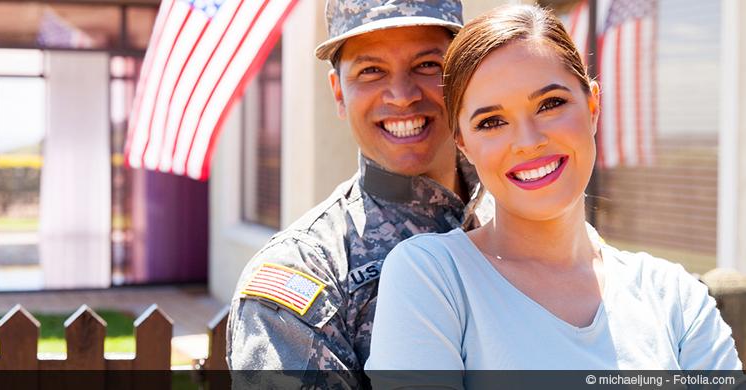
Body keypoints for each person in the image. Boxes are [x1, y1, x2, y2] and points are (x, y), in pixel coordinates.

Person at [367, 4, 741, 373]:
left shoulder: (674, 296)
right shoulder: (434, 278)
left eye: (550, 104)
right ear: (463, 142)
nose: (528, 142)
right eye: (492, 122)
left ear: (592, 105)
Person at [226, 0, 491, 386]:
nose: (401, 95)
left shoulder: (519, 220)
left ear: (463, 78)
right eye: (371, 71)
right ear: (338, 92)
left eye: (428, 65)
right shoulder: (304, 271)